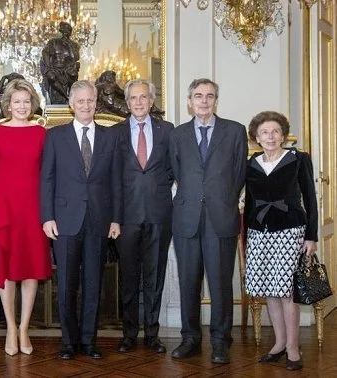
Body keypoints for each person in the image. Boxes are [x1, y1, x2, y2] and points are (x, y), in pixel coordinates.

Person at [40, 80, 121, 360]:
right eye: (81, 101)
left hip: (99, 220)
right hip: (64, 221)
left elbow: (116, 182)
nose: (86, 105)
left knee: (93, 284)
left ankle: (89, 341)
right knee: (66, 284)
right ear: (72, 105)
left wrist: (116, 219)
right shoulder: (55, 136)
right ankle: (68, 342)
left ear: (95, 102)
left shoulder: (111, 137)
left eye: (90, 100)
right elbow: (46, 179)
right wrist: (47, 217)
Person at [168, 78, 248, 364]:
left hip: (221, 218)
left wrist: (222, 198)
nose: (204, 101)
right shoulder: (177, 135)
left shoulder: (235, 131)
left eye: (209, 96)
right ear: (190, 101)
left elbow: (239, 174)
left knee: (220, 284)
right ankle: (190, 338)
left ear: (216, 100)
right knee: (189, 283)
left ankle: (220, 341)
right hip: (187, 219)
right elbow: (178, 172)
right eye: (198, 96)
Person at [0, 79, 52, 356]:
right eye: (16, 101)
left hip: (34, 210)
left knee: (32, 269)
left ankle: (24, 328)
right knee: (6, 271)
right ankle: (10, 327)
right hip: (4, 209)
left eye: (26, 101)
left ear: (32, 105)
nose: (21, 106)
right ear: (8, 105)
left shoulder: (42, 134)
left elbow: (49, 175)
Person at [244, 111, 317, 371]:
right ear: (256, 137)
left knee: (286, 293)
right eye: (265, 132)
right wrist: (246, 238)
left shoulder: (298, 159)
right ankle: (278, 344)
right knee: (270, 292)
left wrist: (312, 236)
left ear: (283, 135)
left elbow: (310, 199)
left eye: (275, 131)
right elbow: (251, 203)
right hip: (259, 233)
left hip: (291, 230)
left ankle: (293, 349)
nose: (271, 136)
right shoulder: (252, 163)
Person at [111, 79, 174, 354]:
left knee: (154, 277)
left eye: (144, 97)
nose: (139, 103)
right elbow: (110, 176)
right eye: (133, 98)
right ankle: (128, 335)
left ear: (151, 101)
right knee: (128, 279)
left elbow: (174, 168)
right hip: (126, 216)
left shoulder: (167, 131)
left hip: (160, 214)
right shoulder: (115, 133)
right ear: (127, 103)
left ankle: (152, 335)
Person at [40, 21, 80, 104]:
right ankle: (65, 97)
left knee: (73, 76)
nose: (66, 31)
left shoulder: (74, 45)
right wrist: (49, 68)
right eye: (65, 29)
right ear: (61, 30)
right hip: (56, 68)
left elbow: (76, 57)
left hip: (68, 70)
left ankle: (69, 98)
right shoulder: (54, 42)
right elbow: (45, 53)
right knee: (52, 78)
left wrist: (70, 46)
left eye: (68, 29)